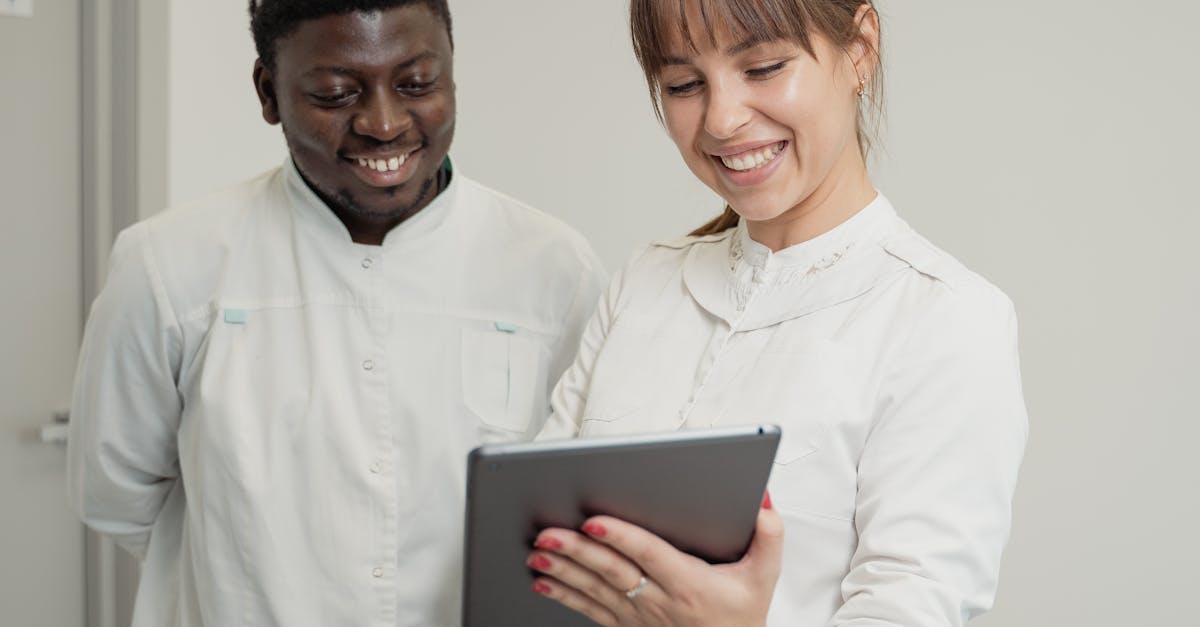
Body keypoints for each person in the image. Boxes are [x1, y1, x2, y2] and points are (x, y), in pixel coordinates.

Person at [66, 1, 605, 625]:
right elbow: (115, 493)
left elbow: (580, 498)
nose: (383, 123)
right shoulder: (168, 264)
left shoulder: (555, 266)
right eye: (335, 93)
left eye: (416, 84)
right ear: (270, 94)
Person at [530, 0, 1028, 625]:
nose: (722, 118)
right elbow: (533, 561)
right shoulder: (643, 282)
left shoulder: (945, 319)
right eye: (684, 85)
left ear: (860, 49)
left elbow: (911, 605)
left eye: (763, 68)